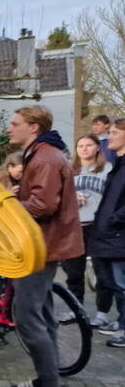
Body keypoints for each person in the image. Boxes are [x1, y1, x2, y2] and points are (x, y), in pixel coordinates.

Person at [6, 105, 84, 387]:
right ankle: (45, 378)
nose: (10, 128)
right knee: (43, 313)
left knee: (27, 316)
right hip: (43, 245)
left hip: (41, 248)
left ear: (33, 127)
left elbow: (42, 205)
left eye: (15, 123)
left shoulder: (45, 158)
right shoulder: (43, 154)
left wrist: (9, 205)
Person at [61, 135, 118, 332]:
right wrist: (71, 198)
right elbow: (58, 197)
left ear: (97, 148)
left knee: (103, 272)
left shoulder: (108, 169)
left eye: (88, 145)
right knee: (73, 271)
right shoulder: (69, 170)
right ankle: (75, 309)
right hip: (74, 226)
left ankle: (102, 313)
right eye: (80, 146)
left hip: (98, 227)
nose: (84, 149)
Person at [89, 118, 125, 348]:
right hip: (109, 236)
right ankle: (121, 322)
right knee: (114, 283)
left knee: (122, 284)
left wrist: (114, 220)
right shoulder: (118, 166)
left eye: (113, 132)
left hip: (118, 236)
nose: (108, 137)